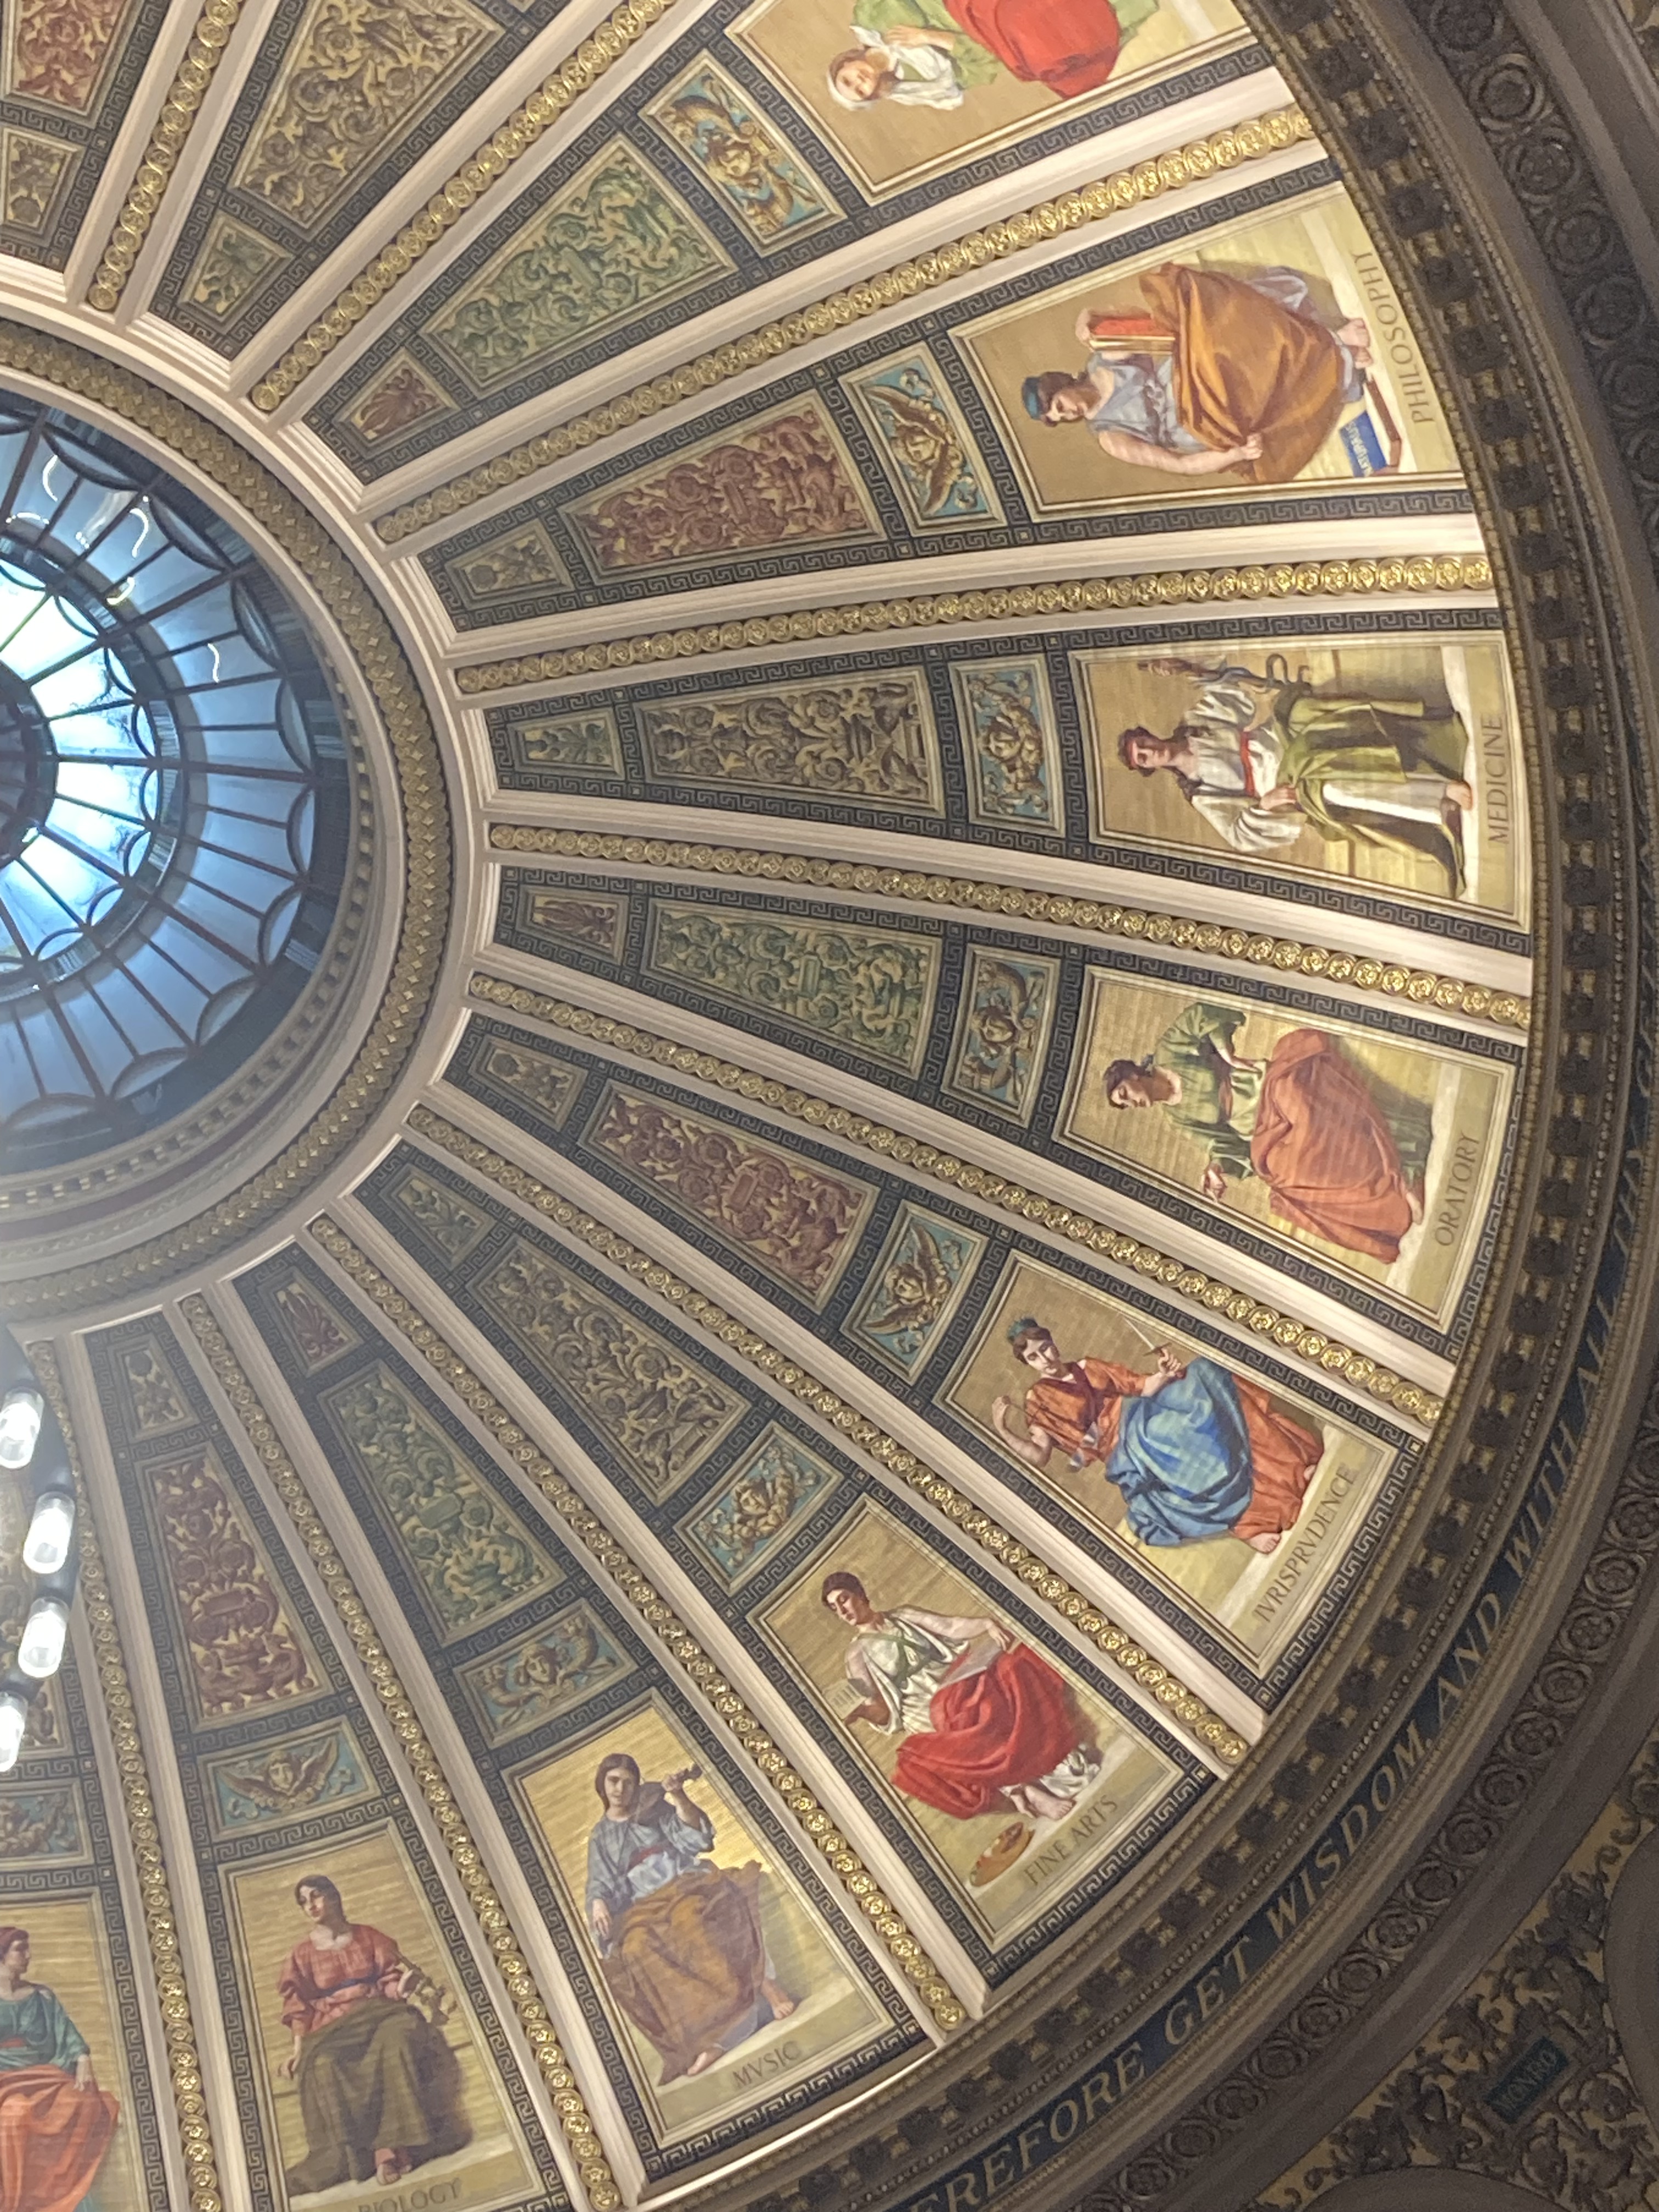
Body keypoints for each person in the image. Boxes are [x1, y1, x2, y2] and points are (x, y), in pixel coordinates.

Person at [1104, 1002, 1434, 1264]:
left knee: (1301, 1107)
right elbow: (1222, 1144)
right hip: (1261, 1130)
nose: (1132, 1104)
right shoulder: (1176, 1117)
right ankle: (1394, 1196)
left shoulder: (1169, 1052)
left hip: (1266, 1087)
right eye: (1126, 1106)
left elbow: (1201, 1014)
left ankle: (1404, 1168)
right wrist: (1216, 1169)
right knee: (1287, 1172)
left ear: (1132, 1075)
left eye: (1125, 1095)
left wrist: (1225, 1052)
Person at [1116, 654, 1474, 895]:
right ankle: (1438, 797)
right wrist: (1265, 805)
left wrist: (1187, 669)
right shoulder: (1200, 792)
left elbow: (1231, 692)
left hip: (1280, 737)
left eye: (1144, 744)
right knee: (1331, 791)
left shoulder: (1195, 725)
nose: (1150, 752)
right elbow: (1239, 834)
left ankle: (1428, 727)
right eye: (1144, 758)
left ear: (1149, 734)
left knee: (1307, 708)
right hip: (1286, 779)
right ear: (1150, 768)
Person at [991, 1319, 1321, 1551]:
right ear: (1026, 1363)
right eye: (1034, 1357)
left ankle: (1289, 1465)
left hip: (1142, 1408)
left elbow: (1142, 1386)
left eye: (1046, 1348)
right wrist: (1003, 1429)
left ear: (1054, 1344)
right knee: (1172, 1431)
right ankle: (1249, 1521)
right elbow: (1041, 1455)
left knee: (1209, 1375)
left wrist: (1164, 1374)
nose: (1045, 1359)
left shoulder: (1089, 1366)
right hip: (1122, 1445)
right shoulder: (1038, 1401)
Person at [1022, 271, 1373, 483]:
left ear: (1061, 385)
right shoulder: (1111, 438)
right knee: (1228, 367)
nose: (1067, 414)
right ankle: (1337, 348)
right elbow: (1180, 464)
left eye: (1058, 405)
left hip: (1191, 370)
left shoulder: (1103, 358)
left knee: (1219, 330)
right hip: (1200, 418)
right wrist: (1233, 455)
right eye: (1060, 418)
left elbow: (1144, 323)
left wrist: (1092, 315)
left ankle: (1334, 345)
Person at [821, 1573, 1101, 1819]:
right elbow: (880, 1710)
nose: (842, 1611)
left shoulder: (903, 1616)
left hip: (952, 1676)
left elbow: (950, 1627)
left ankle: (1051, 1764)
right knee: (964, 1732)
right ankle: (1024, 1790)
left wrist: (987, 1624)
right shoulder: (856, 1655)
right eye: (834, 1608)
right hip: (920, 1705)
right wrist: (859, 1712)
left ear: (860, 1595)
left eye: (844, 1600)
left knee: (1010, 1673)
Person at [586, 1754, 794, 2083]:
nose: (621, 1788)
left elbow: (696, 1839)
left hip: (682, 1883)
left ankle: (761, 1989)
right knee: (636, 1950)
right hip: (643, 1906)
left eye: (628, 1781)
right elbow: (600, 1882)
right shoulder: (601, 1836)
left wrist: (678, 1795)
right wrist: (598, 1903)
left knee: (691, 1922)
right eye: (614, 1780)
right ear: (602, 1783)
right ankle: (706, 2040)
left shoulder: (655, 1808)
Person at [278, 1875, 467, 2193]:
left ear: (335, 1897)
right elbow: (298, 2008)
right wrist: (298, 2051)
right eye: (303, 1901)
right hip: (333, 2028)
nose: (310, 1905)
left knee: (399, 2037)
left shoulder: (370, 1937)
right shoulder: (301, 1955)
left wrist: (401, 1989)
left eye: (316, 1896)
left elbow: (389, 1983)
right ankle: (356, 2156)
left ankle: (392, 2148)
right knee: (323, 2063)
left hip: (380, 2014)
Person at [828, 0, 1150, 111]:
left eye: (848, 79)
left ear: (845, 62)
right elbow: (986, 62)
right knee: (1039, 55)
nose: (859, 81)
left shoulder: (870, 17)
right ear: (872, 94)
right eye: (859, 92)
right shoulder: (923, 82)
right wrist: (928, 37)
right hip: (986, 29)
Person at [0, 1924, 117, 2212]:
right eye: (20, 1950)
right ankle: (16, 2204)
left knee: (81, 2101)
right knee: (14, 2115)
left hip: (44, 2075)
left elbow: (67, 2034)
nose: (28, 1956)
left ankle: (60, 2193)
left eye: (28, 1949)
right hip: (5, 2080)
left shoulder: (43, 1996)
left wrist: (82, 2057)